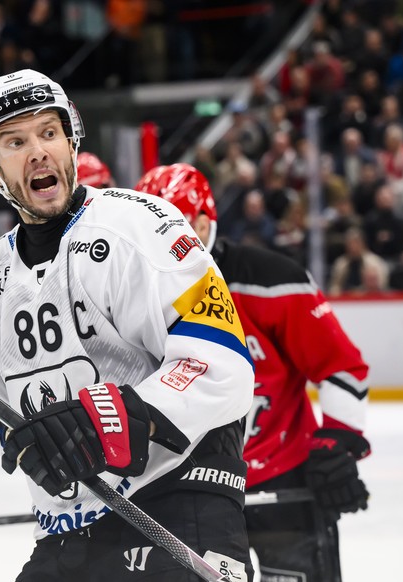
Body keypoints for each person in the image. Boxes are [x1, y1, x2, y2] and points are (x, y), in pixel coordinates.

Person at [0, 70, 255, 581]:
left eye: (49, 133)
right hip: (64, 539)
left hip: (177, 510)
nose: (39, 151)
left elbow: (221, 366)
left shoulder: (143, 226)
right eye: (15, 142)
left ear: (71, 142)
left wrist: (115, 417)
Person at [135, 163, 371, 582]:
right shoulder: (133, 295)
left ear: (206, 221)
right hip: (190, 489)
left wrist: (337, 442)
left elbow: (339, 365)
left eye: (179, 226)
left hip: (283, 476)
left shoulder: (271, 280)